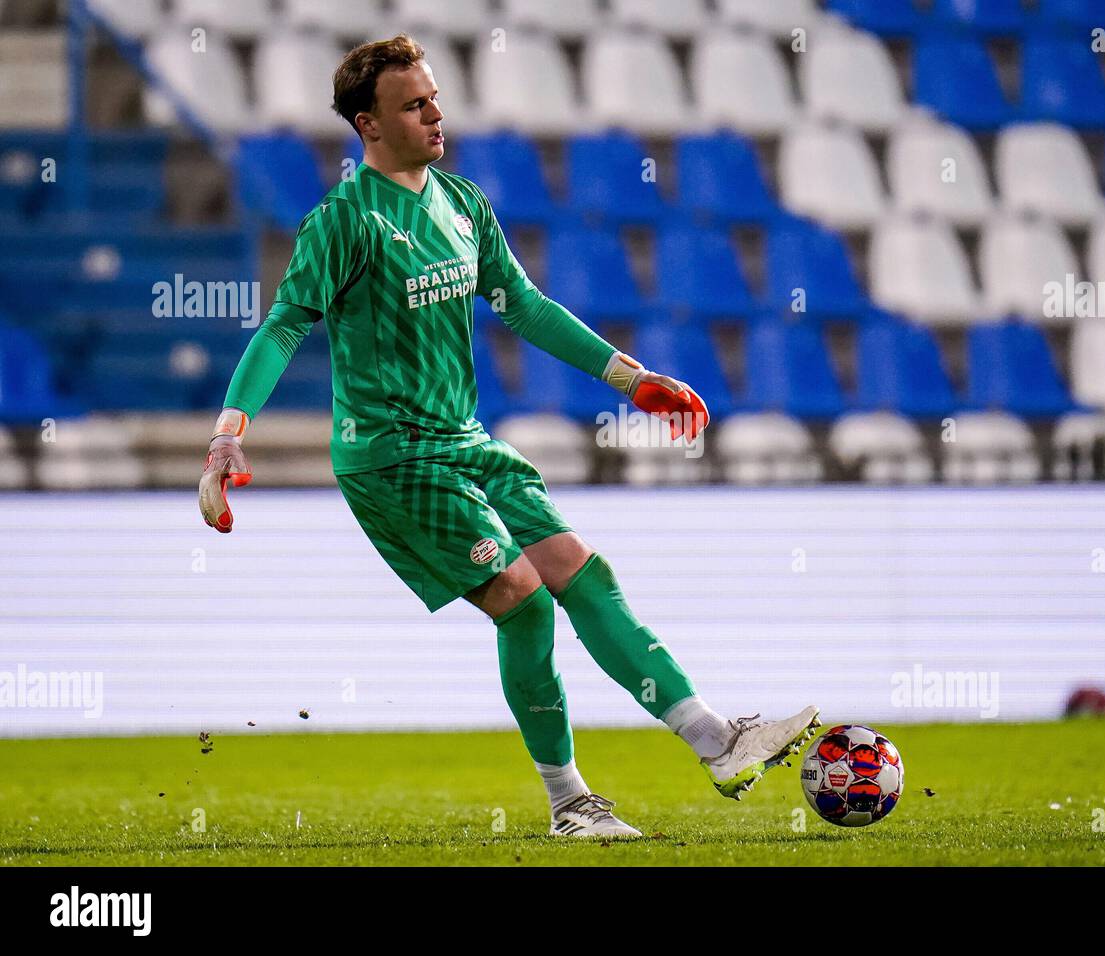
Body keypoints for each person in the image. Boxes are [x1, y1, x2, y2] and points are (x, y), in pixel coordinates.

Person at [199, 34, 818, 838]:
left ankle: (718, 742)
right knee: (522, 599)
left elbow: (523, 305)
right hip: (392, 458)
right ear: (369, 125)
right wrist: (226, 437)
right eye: (413, 103)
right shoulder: (343, 223)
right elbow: (283, 327)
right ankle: (570, 804)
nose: (434, 112)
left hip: (465, 440)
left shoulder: (460, 203)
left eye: (433, 96)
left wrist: (633, 379)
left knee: (580, 572)